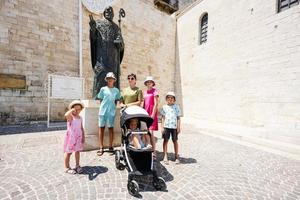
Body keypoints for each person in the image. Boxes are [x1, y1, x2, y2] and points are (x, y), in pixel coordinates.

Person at [89, 6, 124, 98]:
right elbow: (93, 39)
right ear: (104, 12)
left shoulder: (116, 28)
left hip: (113, 61)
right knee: (100, 79)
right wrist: (92, 30)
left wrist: (120, 43)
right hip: (101, 58)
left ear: (113, 14)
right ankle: (97, 98)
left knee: (112, 80)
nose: (108, 12)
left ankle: (114, 99)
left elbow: (121, 47)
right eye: (106, 10)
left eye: (110, 11)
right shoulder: (98, 24)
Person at [97, 72, 121, 156]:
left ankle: (111, 146)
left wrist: (112, 109)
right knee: (101, 128)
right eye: (108, 78)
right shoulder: (103, 89)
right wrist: (103, 108)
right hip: (102, 111)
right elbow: (100, 99)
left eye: (111, 78)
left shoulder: (116, 90)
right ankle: (101, 147)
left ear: (114, 80)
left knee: (111, 128)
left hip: (111, 111)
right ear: (107, 80)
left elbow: (116, 100)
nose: (110, 80)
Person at [64, 100, 85, 174]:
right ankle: (67, 167)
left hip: (78, 137)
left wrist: (83, 136)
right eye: (75, 109)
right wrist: (72, 110)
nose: (77, 111)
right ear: (72, 109)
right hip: (71, 138)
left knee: (77, 151)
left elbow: (81, 128)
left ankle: (77, 165)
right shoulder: (71, 117)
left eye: (79, 109)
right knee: (68, 152)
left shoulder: (80, 118)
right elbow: (66, 115)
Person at [160, 92, 181, 165]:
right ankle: (165, 156)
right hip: (166, 127)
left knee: (175, 141)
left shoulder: (177, 107)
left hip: (174, 127)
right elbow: (163, 117)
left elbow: (178, 117)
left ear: (174, 99)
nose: (170, 99)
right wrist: (162, 127)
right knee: (165, 141)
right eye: (168, 97)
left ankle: (176, 155)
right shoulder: (164, 107)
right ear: (166, 99)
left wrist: (178, 127)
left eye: (172, 98)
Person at [142, 76, 159, 152]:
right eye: (147, 82)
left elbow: (156, 103)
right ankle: (147, 148)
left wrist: (153, 114)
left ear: (153, 83)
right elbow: (143, 103)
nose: (149, 83)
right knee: (145, 131)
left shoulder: (155, 91)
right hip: (146, 113)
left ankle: (154, 151)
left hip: (152, 113)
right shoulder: (145, 92)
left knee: (151, 132)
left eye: (150, 82)